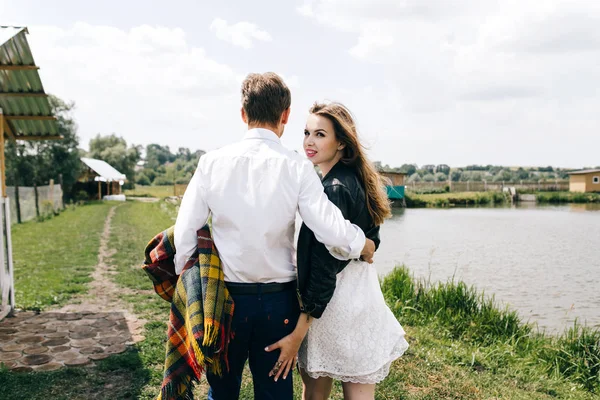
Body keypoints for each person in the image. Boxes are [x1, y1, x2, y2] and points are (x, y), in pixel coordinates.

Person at [173, 73, 376, 400]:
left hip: (226, 301)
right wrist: (362, 244)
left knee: (222, 392)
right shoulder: (297, 167)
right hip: (279, 304)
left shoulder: (210, 164)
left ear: (243, 113)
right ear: (286, 115)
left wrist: (190, 288)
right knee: (274, 392)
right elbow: (330, 229)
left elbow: (185, 236)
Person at [265, 102, 409, 400]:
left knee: (315, 393)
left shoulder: (333, 189)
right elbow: (372, 241)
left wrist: (303, 324)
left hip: (331, 305)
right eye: (306, 132)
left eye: (320, 134)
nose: (309, 141)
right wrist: (363, 249)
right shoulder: (356, 181)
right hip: (361, 298)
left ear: (341, 142)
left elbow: (321, 265)